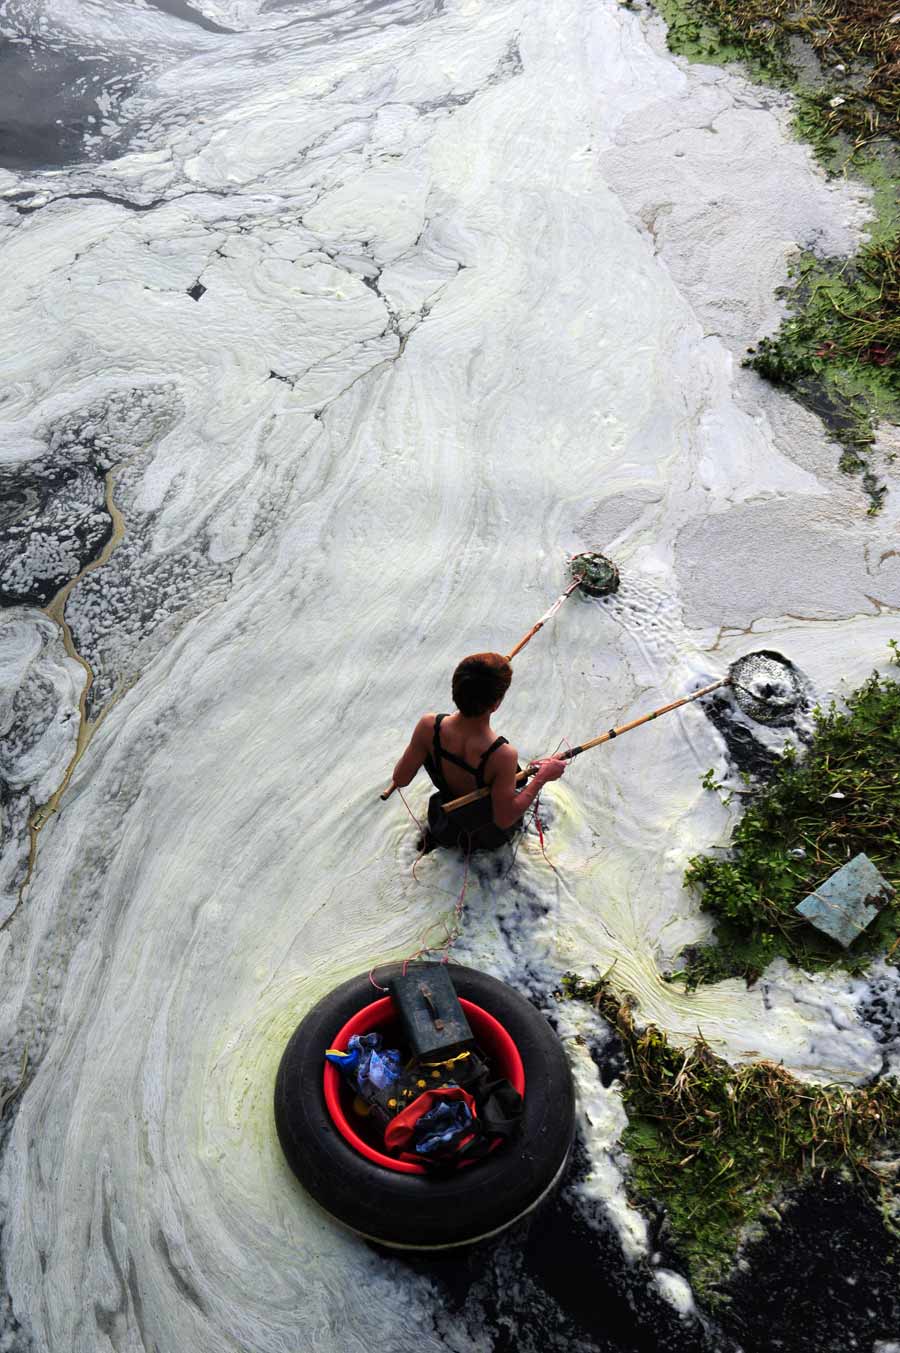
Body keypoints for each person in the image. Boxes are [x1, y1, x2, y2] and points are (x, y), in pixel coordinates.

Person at [390, 652, 567, 852]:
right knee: (546, 813)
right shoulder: (502, 754)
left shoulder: (428, 726)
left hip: (445, 824)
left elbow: (400, 778)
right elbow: (504, 819)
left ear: (454, 690)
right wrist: (541, 778)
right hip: (486, 836)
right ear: (496, 704)